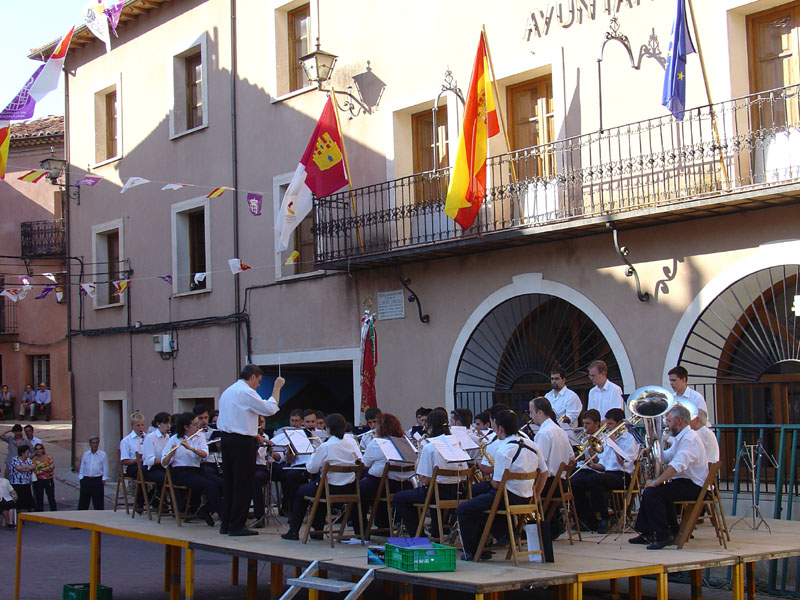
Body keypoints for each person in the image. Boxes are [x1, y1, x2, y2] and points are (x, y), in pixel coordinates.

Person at [457, 409, 547, 561]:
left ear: (500, 429)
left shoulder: (504, 450)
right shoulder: (532, 445)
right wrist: (535, 496)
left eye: (493, 426)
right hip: (526, 497)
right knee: (479, 500)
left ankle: (474, 551)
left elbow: (497, 484)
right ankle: (502, 531)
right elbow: (544, 472)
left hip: (507, 498)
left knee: (464, 508)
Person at [217, 365, 283, 537]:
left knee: (230, 482)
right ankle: (237, 525)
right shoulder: (245, 392)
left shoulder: (228, 391)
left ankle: (227, 523)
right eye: (259, 381)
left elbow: (238, 418)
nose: (259, 385)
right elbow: (268, 409)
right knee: (243, 483)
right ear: (252, 377)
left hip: (227, 439)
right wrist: (276, 388)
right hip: (241, 443)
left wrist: (255, 434)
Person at [631, 404, 708, 550]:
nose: (666, 425)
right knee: (656, 492)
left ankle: (663, 535)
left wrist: (656, 481)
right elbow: (667, 457)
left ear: (679, 420)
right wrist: (650, 451)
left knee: (653, 493)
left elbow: (677, 465)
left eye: (668, 421)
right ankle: (657, 531)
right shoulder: (681, 437)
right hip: (684, 482)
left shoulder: (689, 439)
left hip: (694, 485)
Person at [282, 413, 361, 540]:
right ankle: (317, 530)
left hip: (329, 488)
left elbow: (311, 469)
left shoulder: (326, 446)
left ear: (328, 429)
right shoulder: (351, 444)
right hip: (349, 488)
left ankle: (294, 531)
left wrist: (315, 454)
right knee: (319, 490)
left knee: (302, 492)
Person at [393, 408, 468, 539]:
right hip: (458, 491)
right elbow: (464, 474)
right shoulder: (457, 444)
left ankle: (419, 536)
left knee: (400, 498)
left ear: (430, 426)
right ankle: (436, 533)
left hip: (437, 492)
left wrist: (419, 470)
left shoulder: (430, 446)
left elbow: (426, 480)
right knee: (431, 492)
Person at [571, 408, 638, 532]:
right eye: (606, 423)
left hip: (622, 475)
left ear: (620, 423)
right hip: (607, 473)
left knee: (594, 479)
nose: (607, 427)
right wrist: (594, 465)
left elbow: (625, 463)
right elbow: (604, 464)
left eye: (610, 424)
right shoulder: (608, 438)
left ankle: (604, 517)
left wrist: (614, 445)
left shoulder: (629, 439)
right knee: (575, 483)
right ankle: (587, 520)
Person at [357, 413, 414, 532]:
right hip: (404, 485)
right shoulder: (406, 442)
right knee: (369, 486)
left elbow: (365, 464)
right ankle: (382, 524)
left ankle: (361, 529)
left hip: (381, 484)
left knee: (356, 490)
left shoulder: (378, 443)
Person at [162, 412, 220, 527]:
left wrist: (191, 448)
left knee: (221, 483)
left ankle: (205, 509)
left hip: (196, 470)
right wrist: (171, 454)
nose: (198, 426)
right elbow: (164, 462)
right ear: (186, 427)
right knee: (209, 485)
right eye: (194, 424)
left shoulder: (200, 436)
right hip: (180, 472)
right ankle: (224, 515)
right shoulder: (174, 439)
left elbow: (204, 454)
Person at [530, 396, 573, 538]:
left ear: (540, 413)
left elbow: (539, 463)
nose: (531, 416)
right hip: (562, 483)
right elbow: (571, 457)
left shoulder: (543, 433)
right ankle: (554, 525)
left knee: (519, 490)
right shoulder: (560, 430)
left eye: (532, 412)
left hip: (549, 484)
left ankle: (529, 529)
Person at [252, 415, 283, 528]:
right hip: (247, 467)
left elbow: (257, 454)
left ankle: (259, 516)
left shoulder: (265, 436)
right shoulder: (246, 436)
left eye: (261, 422)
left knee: (255, 479)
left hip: (260, 467)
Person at [78, 436, 109, 510]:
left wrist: (104, 478)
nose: (95, 445)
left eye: (96, 443)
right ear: (90, 444)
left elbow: (105, 467)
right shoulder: (86, 454)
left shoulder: (103, 454)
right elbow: (82, 466)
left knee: (98, 503)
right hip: (86, 480)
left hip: (97, 480)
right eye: (93, 443)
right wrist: (81, 477)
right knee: (83, 502)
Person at [142, 412, 171, 490]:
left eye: (169, 423)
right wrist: (164, 460)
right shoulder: (150, 438)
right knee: (165, 479)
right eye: (165, 423)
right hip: (151, 469)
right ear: (158, 424)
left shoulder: (168, 437)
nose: (168, 426)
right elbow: (149, 460)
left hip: (164, 467)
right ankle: (158, 499)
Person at [119, 413, 146, 478]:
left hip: (145, 464)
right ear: (132, 425)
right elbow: (124, 461)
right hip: (133, 466)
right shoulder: (126, 440)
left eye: (142, 425)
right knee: (143, 471)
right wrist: (137, 460)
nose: (141, 428)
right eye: (138, 425)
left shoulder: (147, 437)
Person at [32, 443, 57, 511]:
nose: (38, 450)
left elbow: (51, 467)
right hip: (39, 480)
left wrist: (41, 468)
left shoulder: (48, 457)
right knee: (39, 497)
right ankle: (40, 513)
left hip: (48, 479)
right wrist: (45, 468)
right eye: (36, 449)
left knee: (51, 497)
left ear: (43, 449)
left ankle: (54, 512)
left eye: (40, 449)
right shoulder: (34, 459)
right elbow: (35, 471)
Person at [9, 445, 35, 511]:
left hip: (26, 483)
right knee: (18, 502)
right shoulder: (15, 459)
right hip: (17, 483)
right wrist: (27, 468)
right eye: (27, 452)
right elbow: (18, 468)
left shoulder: (28, 460)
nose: (28, 454)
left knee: (27, 501)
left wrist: (24, 467)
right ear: (23, 453)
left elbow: (32, 467)